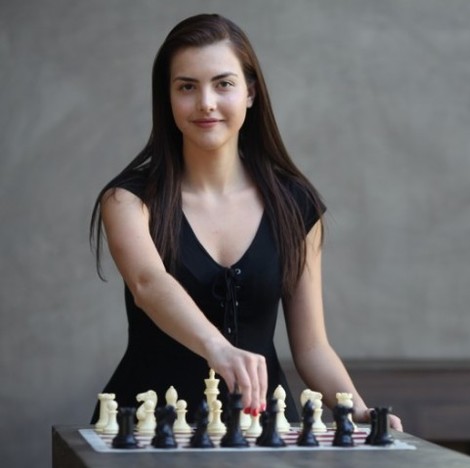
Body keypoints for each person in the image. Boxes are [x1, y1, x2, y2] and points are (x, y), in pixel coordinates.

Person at [90, 13, 402, 431]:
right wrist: (217, 348)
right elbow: (148, 284)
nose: (206, 102)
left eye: (223, 84)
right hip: (150, 427)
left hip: (262, 428)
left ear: (250, 92)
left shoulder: (295, 205)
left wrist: (357, 411)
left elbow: (312, 348)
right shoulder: (128, 200)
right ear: (168, 98)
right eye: (187, 87)